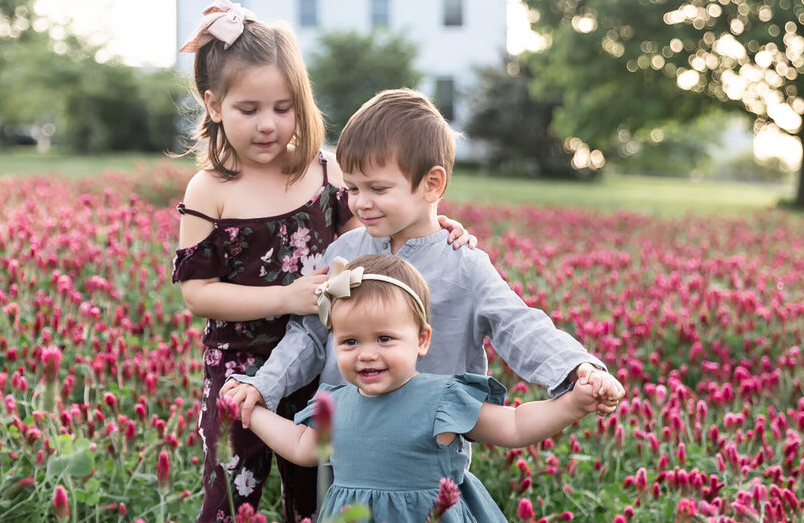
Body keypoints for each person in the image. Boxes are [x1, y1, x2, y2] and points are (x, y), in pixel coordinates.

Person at [170, 2, 472, 523]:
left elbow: (376, 227)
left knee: (321, 492)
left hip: (336, 354)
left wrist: (435, 223)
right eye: (249, 109)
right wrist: (286, 297)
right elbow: (198, 292)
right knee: (230, 491)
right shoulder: (210, 188)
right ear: (213, 103)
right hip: (243, 367)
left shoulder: (326, 170)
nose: (268, 124)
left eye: (283, 107)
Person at [224, 88, 623, 439]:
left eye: (378, 188)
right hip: (344, 440)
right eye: (353, 188)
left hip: (428, 450)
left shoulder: (463, 264)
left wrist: (576, 369)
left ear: (432, 184)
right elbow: (309, 336)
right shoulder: (344, 252)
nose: (361, 202)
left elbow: (517, 324)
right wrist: (265, 386)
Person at [247, 254, 609, 523]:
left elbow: (515, 425)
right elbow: (303, 445)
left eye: (384, 338)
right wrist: (254, 412)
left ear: (422, 339)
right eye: (350, 341)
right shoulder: (335, 402)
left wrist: (570, 404)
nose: (367, 353)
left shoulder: (442, 398)